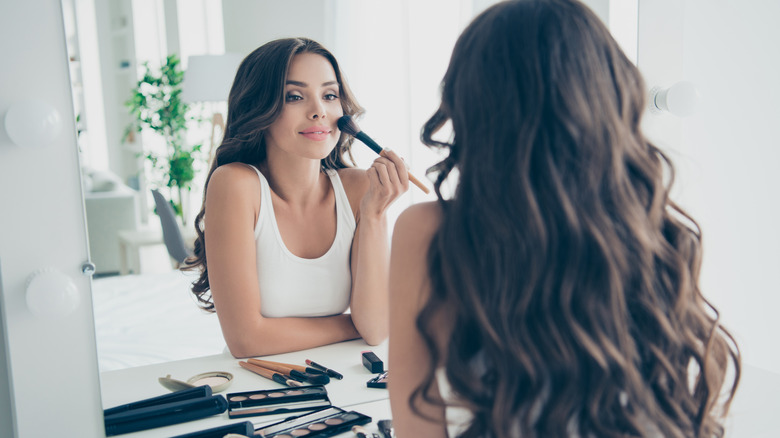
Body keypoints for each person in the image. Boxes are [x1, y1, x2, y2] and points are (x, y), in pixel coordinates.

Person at [387, 1, 740, 437]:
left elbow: (417, 421)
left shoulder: (432, 233)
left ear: (472, 104)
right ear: (606, 97)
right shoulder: (648, 226)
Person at [184, 37, 409, 358]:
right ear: (260, 108)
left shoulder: (360, 188)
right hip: (259, 381)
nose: (319, 111)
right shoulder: (235, 184)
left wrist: (373, 215)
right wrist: (351, 324)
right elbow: (246, 340)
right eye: (294, 97)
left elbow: (374, 329)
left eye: (330, 95)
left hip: (343, 378)